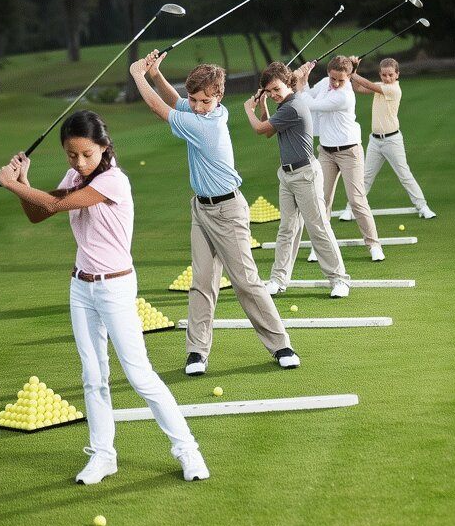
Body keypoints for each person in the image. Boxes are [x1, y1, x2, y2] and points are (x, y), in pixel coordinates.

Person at [0, 109, 209, 484]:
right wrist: (25, 182)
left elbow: (55, 204)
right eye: (72, 155)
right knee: (93, 376)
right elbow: (38, 214)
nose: (79, 162)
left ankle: (187, 450)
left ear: (104, 148)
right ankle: (103, 455)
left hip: (115, 288)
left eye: (86, 154)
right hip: (81, 287)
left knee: (140, 375)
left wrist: (12, 184)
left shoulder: (114, 182)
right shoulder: (75, 177)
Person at [128, 49, 301, 376]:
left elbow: (158, 108)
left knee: (246, 282)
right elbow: (176, 100)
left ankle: (281, 345)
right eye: (194, 100)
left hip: (228, 210)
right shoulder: (206, 112)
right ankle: (196, 353)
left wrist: (137, 75)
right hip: (202, 209)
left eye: (204, 101)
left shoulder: (206, 125)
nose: (196, 105)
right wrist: (155, 74)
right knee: (202, 282)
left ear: (218, 97)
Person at [243, 60, 352, 298]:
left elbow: (261, 129)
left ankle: (339, 279)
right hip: (287, 175)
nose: (273, 94)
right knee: (287, 229)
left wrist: (248, 110)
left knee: (318, 228)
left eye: (276, 89)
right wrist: (262, 105)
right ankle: (279, 279)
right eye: (269, 91)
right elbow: (270, 130)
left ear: (289, 84)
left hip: (305, 175)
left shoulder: (293, 106)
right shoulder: (285, 105)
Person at [306, 55, 384, 260]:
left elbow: (311, 105)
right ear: (328, 74)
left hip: (350, 152)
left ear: (350, 76)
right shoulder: (324, 84)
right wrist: (301, 80)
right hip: (326, 151)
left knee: (356, 200)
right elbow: (308, 95)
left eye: (342, 79)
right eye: (333, 78)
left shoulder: (344, 96)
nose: (337, 83)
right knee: (322, 200)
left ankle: (374, 245)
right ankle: (319, 246)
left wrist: (299, 79)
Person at [347, 57, 437, 220]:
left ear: (397, 75)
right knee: (365, 177)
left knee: (404, 174)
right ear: (380, 74)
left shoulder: (394, 89)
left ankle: (422, 206)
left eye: (390, 75)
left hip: (392, 140)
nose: (387, 78)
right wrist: (354, 70)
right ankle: (352, 208)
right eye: (383, 75)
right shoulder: (381, 86)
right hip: (375, 141)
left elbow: (368, 85)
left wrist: (352, 72)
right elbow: (358, 88)